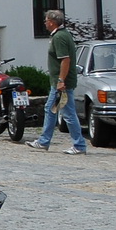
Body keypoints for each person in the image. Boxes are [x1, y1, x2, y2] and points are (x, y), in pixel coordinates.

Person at [30, 9, 89, 154]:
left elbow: (65, 60)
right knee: (50, 110)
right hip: (58, 82)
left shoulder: (59, 37)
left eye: (46, 20)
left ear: (51, 21)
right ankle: (44, 141)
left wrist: (61, 80)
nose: (44, 23)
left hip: (62, 83)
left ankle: (79, 145)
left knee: (68, 113)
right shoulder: (62, 35)